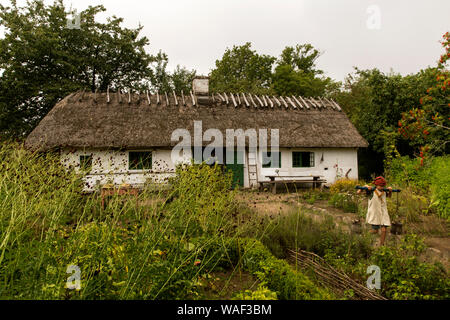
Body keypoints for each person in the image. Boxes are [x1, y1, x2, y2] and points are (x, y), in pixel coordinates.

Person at [357, 176, 393, 246]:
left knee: (384, 230)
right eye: (380, 186)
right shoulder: (371, 191)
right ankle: (365, 235)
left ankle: (381, 245)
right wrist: (364, 188)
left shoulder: (384, 191)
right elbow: (360, 191)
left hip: (383, 213)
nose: (382, 187)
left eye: (383, 186)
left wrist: (390, 191)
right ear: (376, 185)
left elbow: (389, 196)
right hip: (375, 214)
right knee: (375, 231)